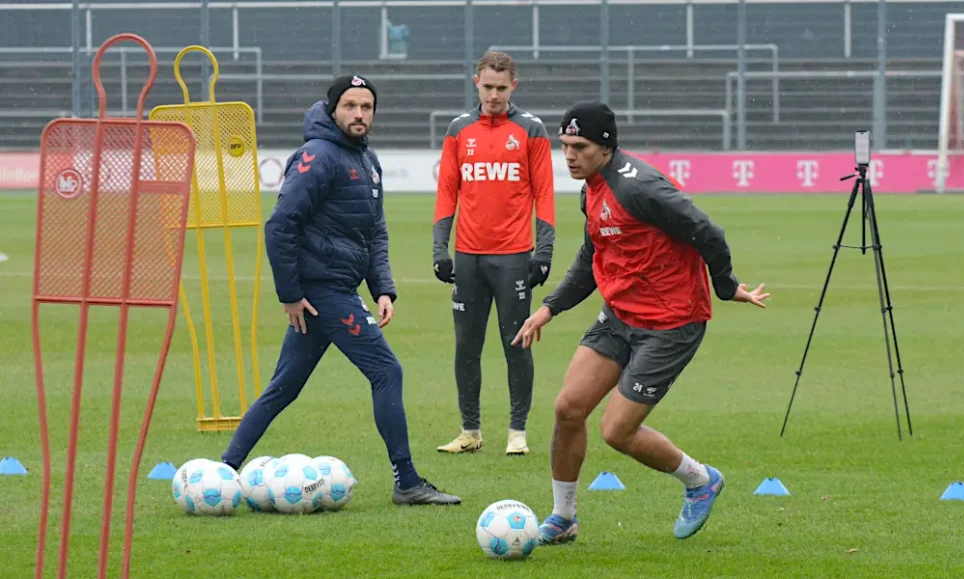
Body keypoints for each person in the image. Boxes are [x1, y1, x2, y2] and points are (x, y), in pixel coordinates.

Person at [511, 101, 770, 542]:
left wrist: (726, 287)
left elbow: (708, 232)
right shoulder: (590, 188)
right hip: (620, 316)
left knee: (617, 431)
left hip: (671, 322)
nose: (569, 155)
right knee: (567, 409)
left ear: (606, 147)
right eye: (565, 145)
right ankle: (564, 517)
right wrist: (549, 308)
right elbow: (593, 255)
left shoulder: (641, 188)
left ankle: (701, 481)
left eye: (580, 146)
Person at [220, 74, 461, 506]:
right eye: (350, 106)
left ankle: (224, 471)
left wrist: (382, 286)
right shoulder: (317, 156)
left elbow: (374, 231)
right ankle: (406, 482)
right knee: (387, 371)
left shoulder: (367, 160)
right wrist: (290, 294)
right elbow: (280, 225)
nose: (359, 114)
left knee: (283, 388)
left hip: (333, 290)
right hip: (324, 291)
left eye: (366, 107)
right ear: (333, 109)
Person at [432, 50, 556, 456]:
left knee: (515, 344)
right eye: (488, 86)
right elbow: (447, 192)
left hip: (513, 258)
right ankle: (470, 432)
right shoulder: (458, 130)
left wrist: (544, 253)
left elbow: (545, 194)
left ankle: (516, 432)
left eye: (502, 88)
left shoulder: (531, 130)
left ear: (513, 86)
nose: (494, 95)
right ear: (476, 83)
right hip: (467, 259)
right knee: (466, 346)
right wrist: (440, 248)